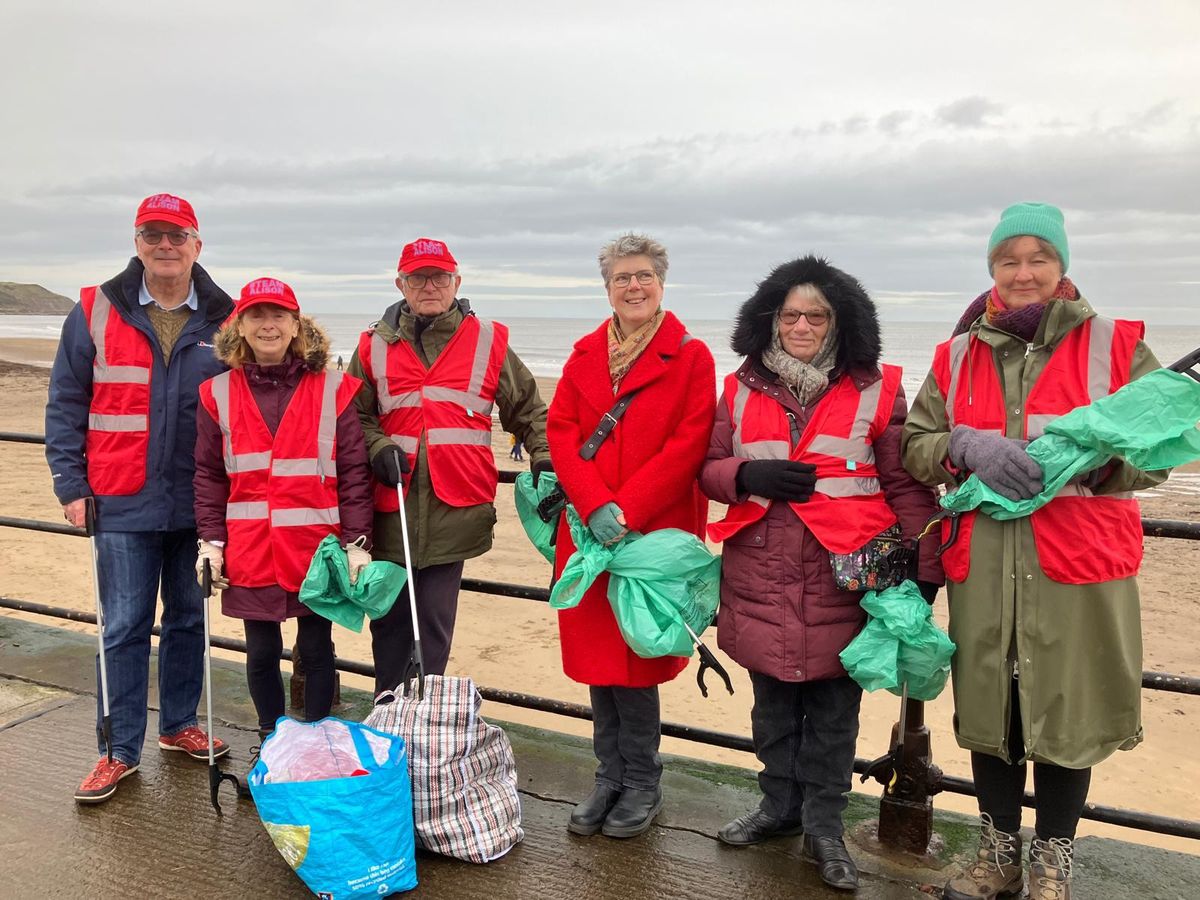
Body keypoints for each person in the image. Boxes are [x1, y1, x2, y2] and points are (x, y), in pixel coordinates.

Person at [902, 203, 1166, 900]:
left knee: (1066, 712)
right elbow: (916, 444)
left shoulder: (1116, 344)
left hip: (1077, 568)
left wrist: (1096, 467)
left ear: (1062, 266)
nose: (1024, 273)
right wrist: (965, 446)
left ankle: (1052, 859)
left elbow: (1162, 451)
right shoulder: (957, 353)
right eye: (1009, 260)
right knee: (992, 711)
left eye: (1038, 258)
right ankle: (996, 852)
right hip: (984, 565)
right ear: (992, 269)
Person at [699, 255, 941, 890]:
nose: (801, 326)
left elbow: (906, 484)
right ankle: (779, 808)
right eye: (790, 315)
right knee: (770, 710)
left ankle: (825, 828)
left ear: (841, 322)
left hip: (847, 574)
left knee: (836, 713)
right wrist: (745, 476)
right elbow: (709, 467)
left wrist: (922, 568)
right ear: (769, 320)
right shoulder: (739, 387)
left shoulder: (881, 387)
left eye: (816, 315)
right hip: (761, 571)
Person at [45, 193, 233, 803]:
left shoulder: (228, 317)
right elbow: (67, 400)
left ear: (197, 244)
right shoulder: (96, 309)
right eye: (153, 235)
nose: (165, 245)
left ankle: (177, 725)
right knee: (123, 625)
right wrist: (70, 485)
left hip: (200, 503)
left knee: (186, 618)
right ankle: (117, 750)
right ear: (137, 243)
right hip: (119, 499)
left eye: (177, 235)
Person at [547, 233, 716, 839]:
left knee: (638, 655)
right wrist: (594, 505)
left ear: (662, 282)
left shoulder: (692, 356)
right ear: (608, 287)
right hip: (590, 535)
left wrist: (627, 510)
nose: (634, 286)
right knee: (600, 659)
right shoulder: (584, 353)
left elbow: (689, 443)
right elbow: (561, 430)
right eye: (622, 278)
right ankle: (608, 776)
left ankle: (642, 780)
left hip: (650, 535)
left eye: (644, 275)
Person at [348, 238, 550, 693]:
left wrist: (545, 458)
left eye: (439, 276)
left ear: (456, 282)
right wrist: (377, 445)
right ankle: (387, 718)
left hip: (455, 508)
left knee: (435, 628)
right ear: (401, 283)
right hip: (391, 508)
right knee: (390, 624)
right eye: (418, 277)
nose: (429, 286)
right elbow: (352, 415)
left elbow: (529, 410)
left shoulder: (488, 341)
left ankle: (425, 720)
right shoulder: (372, 345)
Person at [193, 278, 373, 742]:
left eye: (278, 315)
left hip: (317, 548)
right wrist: (210, 541)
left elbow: (354, 472)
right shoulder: (216, 393)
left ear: (297, 326)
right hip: (250, 549)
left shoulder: (335, 389)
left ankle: (313, 744)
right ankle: (272, 742)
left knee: (316, 650)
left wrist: (358, 544)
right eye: (256, 315)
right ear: (240, 326)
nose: (268, 325)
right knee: (260, 653)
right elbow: (209, 474)